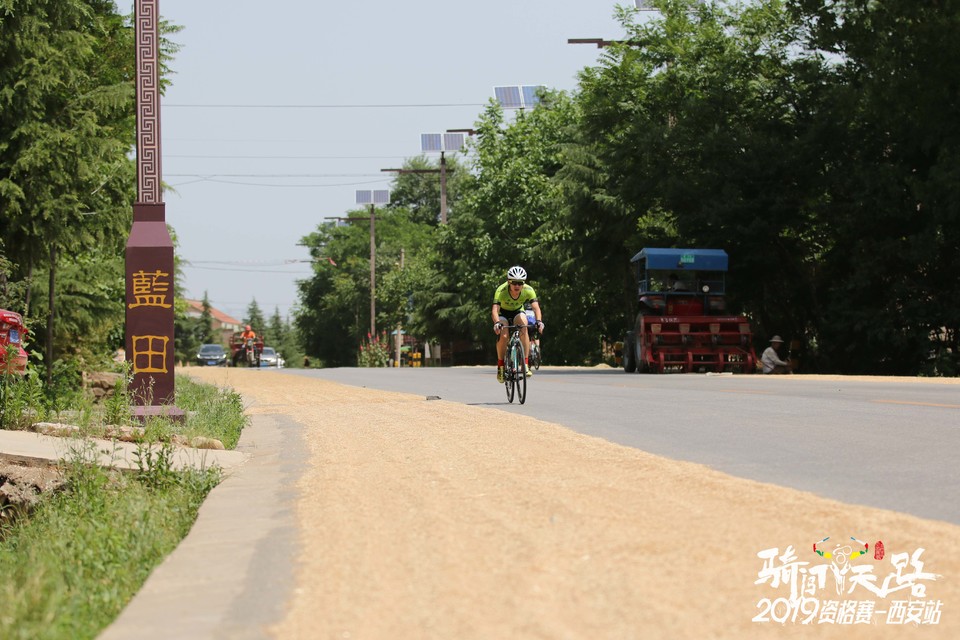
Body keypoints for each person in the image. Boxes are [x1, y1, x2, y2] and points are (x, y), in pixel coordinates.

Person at [492, 266, 544, 383]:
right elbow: (495, 310)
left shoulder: (529, 290)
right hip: (502, 313)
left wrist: (539, 321)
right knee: (504, 336)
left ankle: (525, 364)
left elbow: (536, 308)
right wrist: (496, 323)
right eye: (514, 283)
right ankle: (501, 366)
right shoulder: (501, 290)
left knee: (524, 327)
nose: (517, 286)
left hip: (517, 311)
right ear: (508, 282)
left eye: (520, 283)